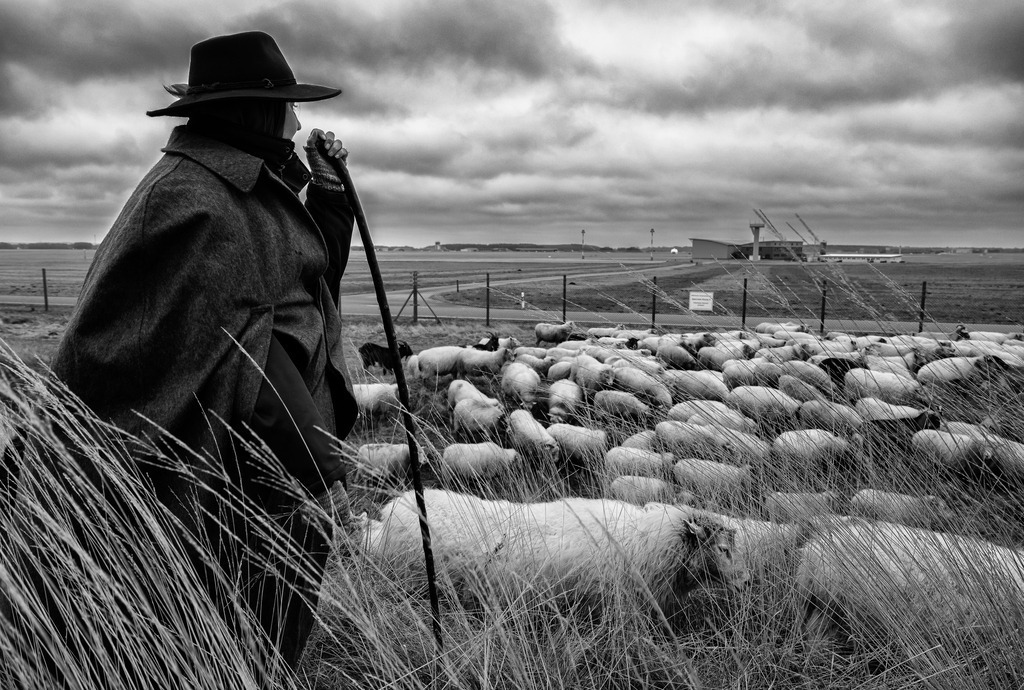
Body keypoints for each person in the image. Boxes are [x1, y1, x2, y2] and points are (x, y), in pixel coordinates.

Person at [51, 30, 359, 675]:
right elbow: (203, 346)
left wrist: (329, 195)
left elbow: (302, 287)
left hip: (255, 476)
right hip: (225, 486)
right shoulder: (192, 202)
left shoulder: (242, 190)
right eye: (287, 107)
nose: (296, 122)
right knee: (230, 629)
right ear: (254, 111)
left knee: (257, 630)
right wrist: (312, 466)